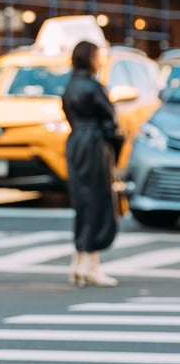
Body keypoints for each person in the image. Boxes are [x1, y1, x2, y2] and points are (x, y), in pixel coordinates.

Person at [62, 39, 122, 287]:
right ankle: (90, 265)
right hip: (95, 146)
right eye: (98, 56)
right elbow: (111, 124)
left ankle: (78, 263)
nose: (101, 60)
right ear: (90, 58)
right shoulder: (94, 88)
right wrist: (116, 151)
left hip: (75, 143)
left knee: (82, 203)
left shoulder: (70, 87)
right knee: (98, 202)